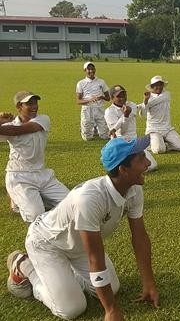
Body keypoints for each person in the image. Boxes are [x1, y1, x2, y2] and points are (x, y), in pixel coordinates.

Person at [6, 136, 160, 320]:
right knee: (72, 309)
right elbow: (94, 256)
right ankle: (24, 265)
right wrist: (111, 310)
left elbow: (140, 238)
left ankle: (64, 277)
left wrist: (149, 282)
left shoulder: (133, 189)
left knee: (112, 287)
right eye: (141, 158)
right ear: (123, 169)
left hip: (78, 246)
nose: (148, 163)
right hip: (48, 244)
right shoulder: (89, 199)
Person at [0, 92, 69, 223]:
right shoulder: (9, 126)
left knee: (71, 203)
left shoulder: (42, 119)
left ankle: (24, 198)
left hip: (42, 175)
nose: (34, 107)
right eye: (29, 104)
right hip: (19, 177)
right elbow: (10, 130)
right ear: (19, 106)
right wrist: (2, 121)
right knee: (36, 215)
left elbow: (16, 131)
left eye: (35, 102)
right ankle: (19, 199)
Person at [104, 85, 158, 171]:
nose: (122, 98)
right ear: (112, 98)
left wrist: (116, 126)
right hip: (120, 144)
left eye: (124, 95)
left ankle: (129, 163)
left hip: (134, 142)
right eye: (118, 96)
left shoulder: (131, 105)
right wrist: (125, 116)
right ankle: (121, 162)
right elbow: (122, 132)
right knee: (136, 167)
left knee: (152, 166)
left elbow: (142, 112)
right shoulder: (109, 112)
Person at [143, 75, 180, 154]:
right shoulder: (148, 98)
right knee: (159, 150)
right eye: (156, 85)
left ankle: (161, 142)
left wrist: (143, 104)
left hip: (167, 129)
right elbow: (142, 113)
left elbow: (148, 105)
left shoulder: (166, 94)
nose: (159, 87)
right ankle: (151, 142)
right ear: (152, 86)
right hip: (153, 129)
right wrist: (145, 100)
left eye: (160, 84)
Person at [75, 62, 110, 141]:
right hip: (87, 109)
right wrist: (89, 100)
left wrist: (101, 97)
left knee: (105, 136)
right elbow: (78, 101)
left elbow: (108, 98)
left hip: (99, 108)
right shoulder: (81, 83)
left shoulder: (101, 82)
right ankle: (86, 127)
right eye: (89, 69)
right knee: (87, 138)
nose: (91, 71)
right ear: (85, 70)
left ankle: (95, 128)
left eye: (93, 69)